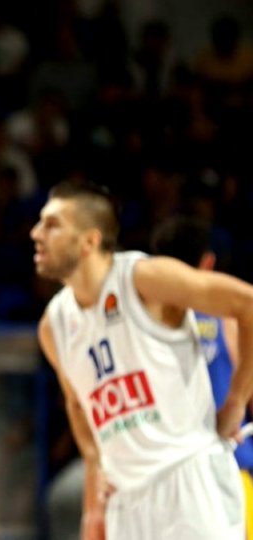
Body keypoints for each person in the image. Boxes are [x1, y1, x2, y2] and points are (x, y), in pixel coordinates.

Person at [31, 181, 253, 539]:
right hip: (127, 500)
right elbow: (77, 405)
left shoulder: (144, 279)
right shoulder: (53, 327)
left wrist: (237, 401)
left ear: (89, 241)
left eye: (52, 225)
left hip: (191, 478)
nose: (36, 233)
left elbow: (248, 305)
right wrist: (94, 494)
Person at [151, 215, 253, 538]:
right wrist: (235, 404)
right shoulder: (229, 318)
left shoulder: (141, 321)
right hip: (226, 466)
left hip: (160, 477)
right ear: (207, 263)